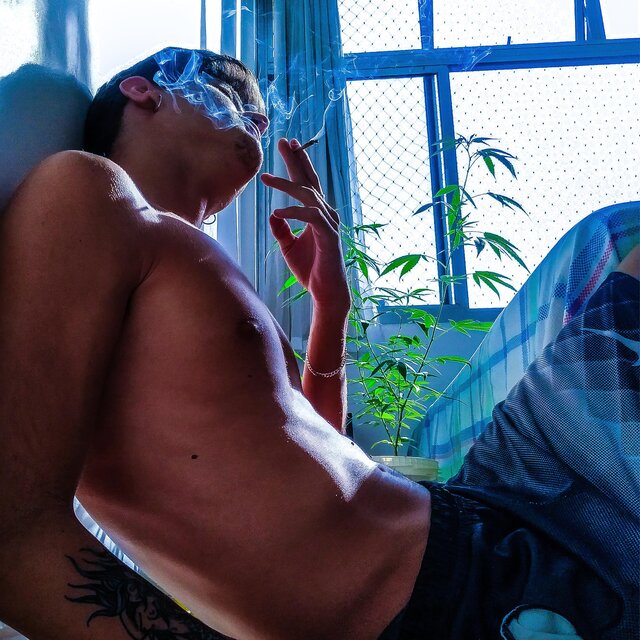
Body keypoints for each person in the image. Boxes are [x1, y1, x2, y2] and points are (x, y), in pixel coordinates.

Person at [0, 46, 636, 640]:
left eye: (260, 117)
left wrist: (332, 307)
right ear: (145, 90)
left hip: (476, 511)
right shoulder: (84, 189)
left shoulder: (192, 259)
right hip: (443, 598)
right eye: (232, 98)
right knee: (619, 235)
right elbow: (12, 531)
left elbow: (309, 453)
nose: (256, 125)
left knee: (626, 242)